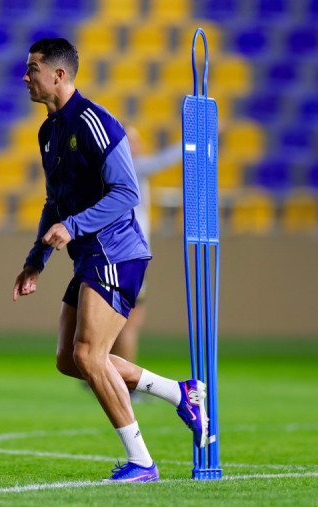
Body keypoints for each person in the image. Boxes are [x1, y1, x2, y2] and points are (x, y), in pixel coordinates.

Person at [12, 38, 207, 483]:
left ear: (59, 75)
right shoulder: (48, 133)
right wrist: (36, 260)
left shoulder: (95, 122)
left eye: (33, 69)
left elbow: (127, 192)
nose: (25, 77)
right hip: (90, 257)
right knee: (70, 360)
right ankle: (180, 394)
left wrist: (73, 226)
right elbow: (54, 203)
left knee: (88, 353)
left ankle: (142, 462)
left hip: (117, 252)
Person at [110, 127, 181, 394]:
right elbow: (163, 161)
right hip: (131, 258)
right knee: (130, 324)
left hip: (118, 255)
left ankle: (102, 373)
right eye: (133, 140)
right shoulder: (131, 167)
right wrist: (195, 139)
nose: (139, 144)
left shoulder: (111, 169)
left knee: (114, 322)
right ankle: (125, 386)